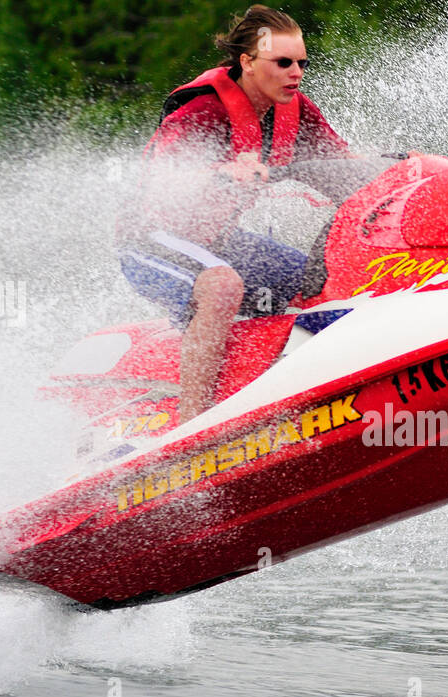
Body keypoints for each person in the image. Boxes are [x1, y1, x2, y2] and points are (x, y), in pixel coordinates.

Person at [117, 5, 352, 422]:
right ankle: (191, 426)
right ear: (247, 62)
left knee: (323, 281)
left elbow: (344, 173)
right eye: (282, 63)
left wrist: (400, 176)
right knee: (223, 286)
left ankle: (306, 395)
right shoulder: (202, 111)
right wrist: (221, 170)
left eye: (301, 63)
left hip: (218, 240)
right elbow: (163, 177)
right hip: (149, 239)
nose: (295, 73)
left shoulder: (298, 113)